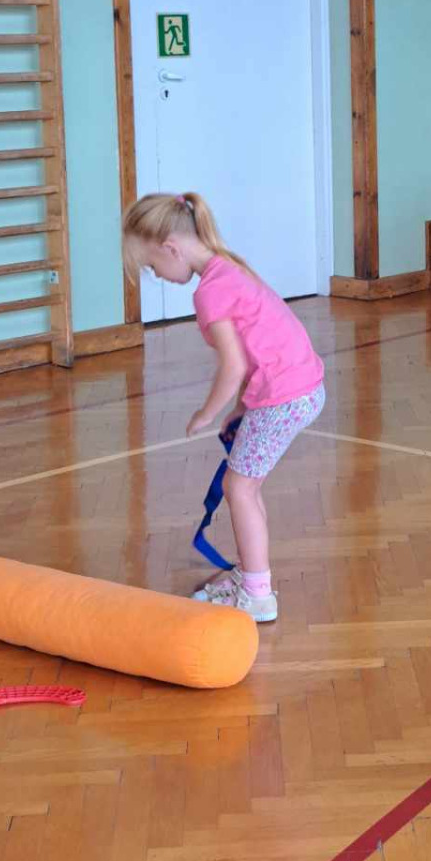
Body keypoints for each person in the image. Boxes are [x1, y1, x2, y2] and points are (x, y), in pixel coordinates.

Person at [121, 191, 326, 625]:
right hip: (297, 386)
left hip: (285, 394)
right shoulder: (227, 268)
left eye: (152, 266)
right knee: (245, 485)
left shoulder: (211, 291)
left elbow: (233, 367)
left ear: (171, 248)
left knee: (239, 489)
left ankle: (257, 595)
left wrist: (207, 413)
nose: (157, 275)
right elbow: (256, 349)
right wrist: (240, 409)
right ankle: (253, 577)